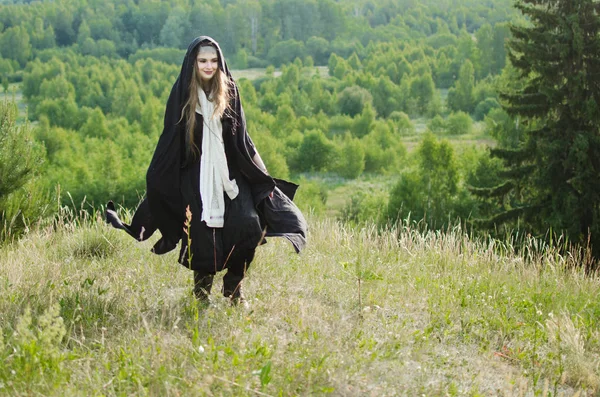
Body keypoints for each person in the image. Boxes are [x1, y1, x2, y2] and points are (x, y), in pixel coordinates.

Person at [105, 36, 307, 306]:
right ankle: (201, 294)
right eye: (203, 61)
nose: (209, 66)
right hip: (195, 175)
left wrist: (262, 174)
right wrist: (158, 180)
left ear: (220, 62)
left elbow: (243, 139)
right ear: (193, 63)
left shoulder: (230, 92)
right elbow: (169, 142)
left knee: (249, 225)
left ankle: (234, 286)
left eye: (213, 61)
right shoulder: (181, 98)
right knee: (202, 236)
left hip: (231, 174)